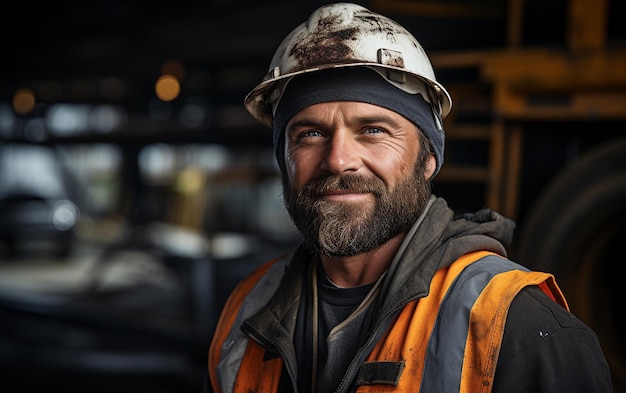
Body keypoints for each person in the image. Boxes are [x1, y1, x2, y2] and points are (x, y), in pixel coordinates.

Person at [205, 3, 613, 392]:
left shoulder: (517, 328)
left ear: (429, 158)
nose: (339, 160)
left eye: (374, 130)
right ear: (284, 159)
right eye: (310, 133)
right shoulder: (247, 307)